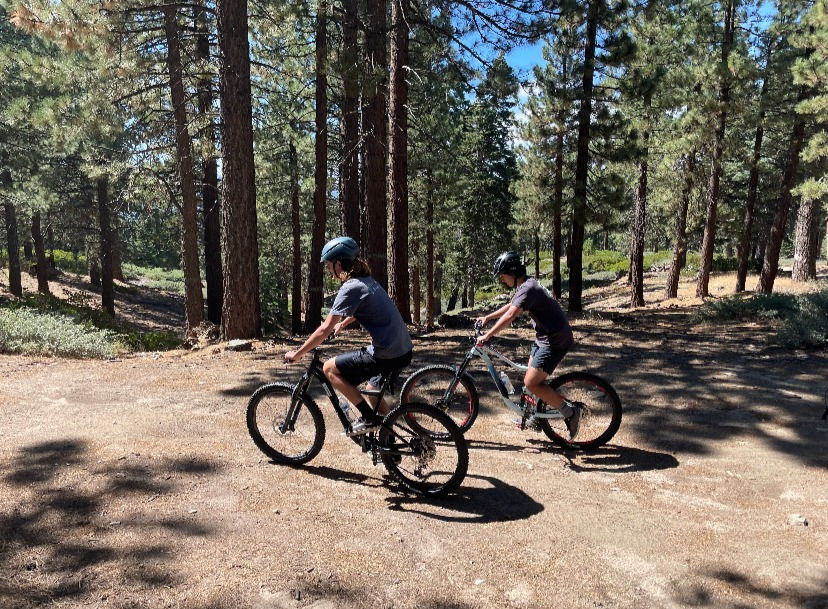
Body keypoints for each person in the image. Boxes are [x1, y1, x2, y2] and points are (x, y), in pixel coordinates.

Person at [284, 237, 413, 435]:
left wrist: (298, 353)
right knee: (372, 391)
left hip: (387, 353)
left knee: (329, 368)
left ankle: (368, 419)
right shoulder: (366, 281)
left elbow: (324, 329)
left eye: (329, 265)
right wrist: (343, 324)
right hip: (402, 349)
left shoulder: (351, 287)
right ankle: (389, 438)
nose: (329, 270)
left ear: (339, 264)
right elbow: (364, 307)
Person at [475, 251, 582, 438]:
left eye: (503, 275)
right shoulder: (525, 285)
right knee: (530, 378)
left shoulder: (528, 288)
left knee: (531, 383)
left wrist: (488, 335)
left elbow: (511, 315)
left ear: (513, 272)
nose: (502, 279)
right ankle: (534, 417)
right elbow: (511, 305)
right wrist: (488, 317)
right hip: (544, 336)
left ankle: (571, 413)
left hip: (555, 340)